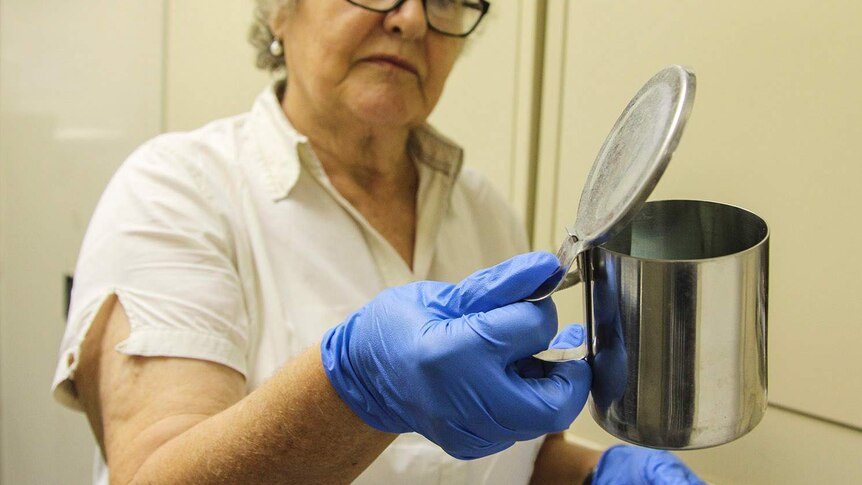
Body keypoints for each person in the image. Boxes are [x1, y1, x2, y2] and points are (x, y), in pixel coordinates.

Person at [52, 1, 705, 483]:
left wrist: (589, 472)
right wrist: (351, 389)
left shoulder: (483, 211)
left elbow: (498, 461)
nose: (413, 19)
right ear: (280, 12)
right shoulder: (176, 190)